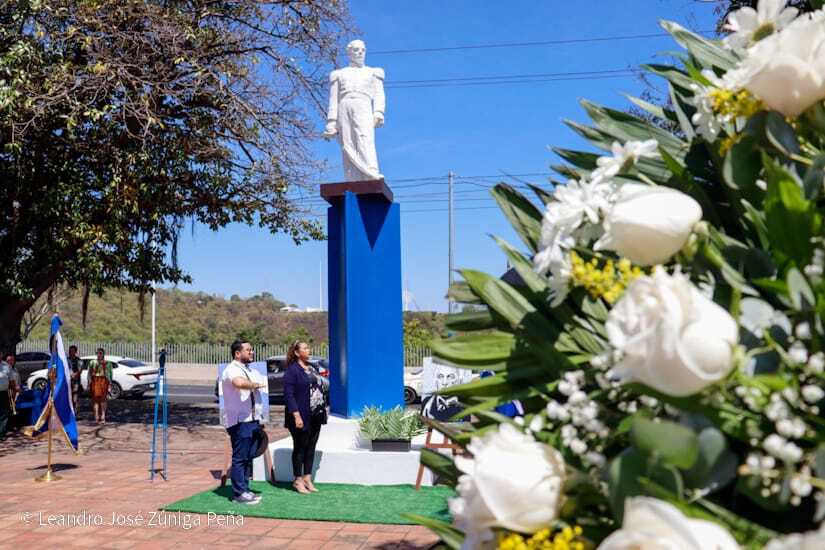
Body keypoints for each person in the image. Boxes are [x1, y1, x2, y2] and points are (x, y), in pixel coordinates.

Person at [323, 39, 385, 182]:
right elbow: (333, 99)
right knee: (347, 142)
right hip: (344, 106)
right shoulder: (339, 74)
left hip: (363, 105)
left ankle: (371, 171)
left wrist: (378, 112)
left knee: (364, 137)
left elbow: (379, 94)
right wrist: (331, 122)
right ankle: (351, 178)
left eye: (363, 50)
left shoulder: (373, 72)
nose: (360, 53)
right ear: (349, 53)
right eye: (356, 50)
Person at [220, 340, 267, 505]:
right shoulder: (231, 370)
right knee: (240, 457)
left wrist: (260, 419)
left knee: (248, 456)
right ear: (237, 353)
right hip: (239, 421)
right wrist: (255, 385)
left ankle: (245, 490)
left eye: (252, 349)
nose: (252, 352)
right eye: (248, 350)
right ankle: (239, 493)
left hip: (252, 420)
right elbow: (238, 383)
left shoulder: (250, 370)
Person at [283, 340, 328, 494]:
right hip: (300, 416)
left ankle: (307, 477)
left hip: (316, 415)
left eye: (309, 347)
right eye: (305, 348)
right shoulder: (292, 371)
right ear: (296, 352)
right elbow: (289, 396)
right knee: (300, 447)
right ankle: (297, 479)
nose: (308, 350)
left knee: (311, 446)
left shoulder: (312, 367)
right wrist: (296, 416)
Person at [88, 348, 112, 424]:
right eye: (98, 353)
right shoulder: (92, 362)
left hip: (104, 381)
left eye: (101, 353)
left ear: (103, 354)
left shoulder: (108, 363)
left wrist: (110, 384)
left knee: (103, 399)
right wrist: (89, 382)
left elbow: (110, 374)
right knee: (95, 400)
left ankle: (103, 416)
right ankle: (96, 417)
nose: (99, 354)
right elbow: (89, 373)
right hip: (95, 380)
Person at [0, 354, 16, 440]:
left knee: (3, 413)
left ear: (1, 355)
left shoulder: (6, 366)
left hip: (3, 393)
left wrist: (14, 390)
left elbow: (11, 380)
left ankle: (1, 433)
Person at [67, 345, 82, 412]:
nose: (70, 352)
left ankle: (75, 412)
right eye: (70, 351)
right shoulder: (66, 360)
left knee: (75, 397)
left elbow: (80, 370)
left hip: (75, 381)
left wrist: (74, 375)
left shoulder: (78, 360)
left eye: (72, 351)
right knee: (68, 397)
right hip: (67, 381)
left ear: (75, 352)